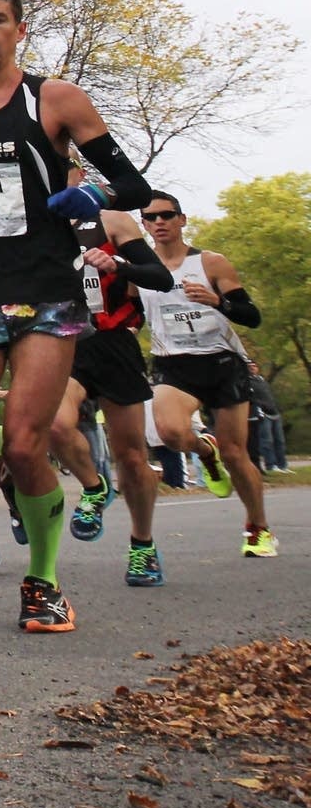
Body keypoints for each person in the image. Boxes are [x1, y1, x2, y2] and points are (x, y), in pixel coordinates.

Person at [0, 0, 156, 633]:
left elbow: (134, 184)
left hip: (46, 300)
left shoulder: (53, 98)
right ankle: (28, 495)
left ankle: (44, 581)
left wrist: (95, 195)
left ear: (19, 30)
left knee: (27, 445)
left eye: (0, 19)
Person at [42, 163, 175, 586]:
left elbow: (160, 276)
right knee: (56, 425)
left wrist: (118, 264)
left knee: (132, 457)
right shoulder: (28, 222)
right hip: (63, 339)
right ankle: (94, 487)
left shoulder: (111, 220)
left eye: (57, 170)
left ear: (77, 174)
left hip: (113, 341)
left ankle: (143, 545)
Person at [136, 192, 275, 557]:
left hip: (222, 363)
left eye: (167, 215)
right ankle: (204, 452)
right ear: (144, 225)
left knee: (236, 453)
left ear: (182, 220)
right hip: (173, 364)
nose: (159, 222)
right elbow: (130, 318)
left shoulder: (211, 263)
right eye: (150, 217)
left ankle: (258, 527)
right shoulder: (140, 272)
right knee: (170, 432)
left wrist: (219, 302)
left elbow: (252, 315)